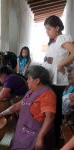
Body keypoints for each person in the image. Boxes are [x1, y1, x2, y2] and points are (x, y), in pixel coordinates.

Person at [0, 65, 56, 150]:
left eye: (29, 79)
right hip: (24, 132)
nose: (27, 81)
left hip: (35, 135)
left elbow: (50, 118)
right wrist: (1, 114)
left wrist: (40, 137)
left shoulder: (48, 95)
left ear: (37, 81)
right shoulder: (31, 91)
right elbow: (17, 106)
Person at [42, 15, 74, 148]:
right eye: (46, 30)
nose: (47, 32)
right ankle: (52, 136)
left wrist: (62, 64)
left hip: (57, 81)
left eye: (49, 29)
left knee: (54, 110)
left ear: (57, 28)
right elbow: (53, 58)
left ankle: (54, 141)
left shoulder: (62, 37)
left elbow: (73, 53)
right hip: (51, 79)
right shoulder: (54, 41)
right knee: (51, 108)